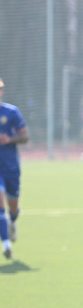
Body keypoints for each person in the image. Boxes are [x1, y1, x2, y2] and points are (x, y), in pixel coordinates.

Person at [0, 77, 29, 260]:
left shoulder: (12, 112)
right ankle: (6, 245)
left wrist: (9, 140)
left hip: (11, 166)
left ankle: (13, 220)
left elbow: (25, 137)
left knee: (13, 207)